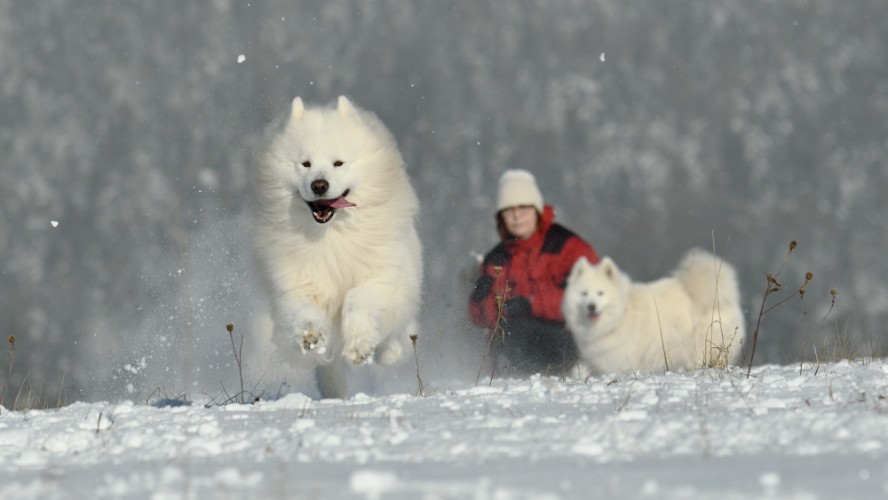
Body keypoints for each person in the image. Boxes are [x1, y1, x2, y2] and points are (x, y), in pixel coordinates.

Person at [469, 169, 600, 376]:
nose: (517, 215)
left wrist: (531, 304)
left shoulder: (569, 247)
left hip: (567, 336)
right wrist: (482, 300)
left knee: (525, 331)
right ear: (501, 216)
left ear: (537, 209)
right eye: (509, 209)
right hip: (516, 341)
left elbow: (596, 298)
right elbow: (482, 318)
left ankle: (572, 371)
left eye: (523, 207)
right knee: (512, 332)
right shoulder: (496, 259)